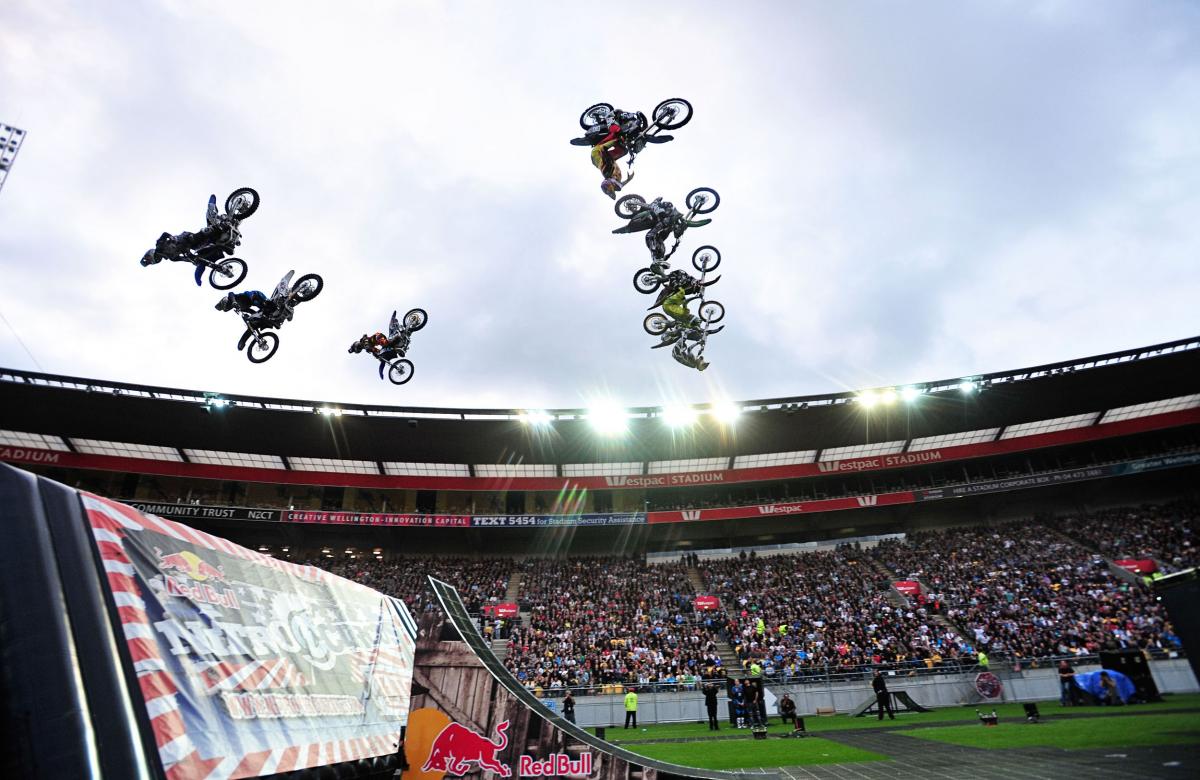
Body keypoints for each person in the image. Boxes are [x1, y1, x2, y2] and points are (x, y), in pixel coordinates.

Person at [142, 195, 236, 266]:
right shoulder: (172, 258)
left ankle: (214, 226)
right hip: (190, 247)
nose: (153, 261)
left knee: (195, 237)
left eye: (150, 260)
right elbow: (183, 259)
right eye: (151, 262)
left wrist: (170, 237)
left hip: (185, 238)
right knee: (202, 248)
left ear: (150, 254)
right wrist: (193, 261)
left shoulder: (159, 245)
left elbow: (164, 234)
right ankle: (222, 244)